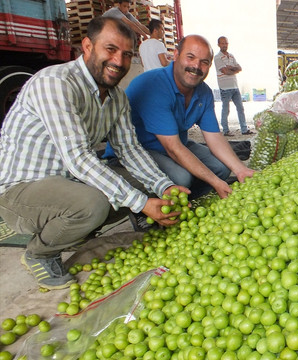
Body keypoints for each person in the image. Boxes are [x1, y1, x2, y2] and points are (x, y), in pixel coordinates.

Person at [0, 17, 188, 290]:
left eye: (126, 54)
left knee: (136, 184)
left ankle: (78, 226)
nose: (119, 61)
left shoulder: (116, 98)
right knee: (94, 204)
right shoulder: (56, 83)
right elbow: (77, 158)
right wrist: (142, 204)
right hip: (21, 192)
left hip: (68, 183)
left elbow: (129, 150)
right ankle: (40, 252)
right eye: (110, 49)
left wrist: (164, 187)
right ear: (87, 46)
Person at [126, 35, 256, 199]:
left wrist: (240, 169)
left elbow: (214, 137)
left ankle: (188, 203)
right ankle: (150, 207)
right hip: (140, 148)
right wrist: (215, 182)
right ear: (175, 55)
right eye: (190, 57)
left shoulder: (203, 92)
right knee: (181, 178)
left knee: (222, 168)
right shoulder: (154, 85)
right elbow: (173, 149)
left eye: (204, 62)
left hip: (176, 143)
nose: (196, 66)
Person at [213, 36, 253, 136]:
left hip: (235, 86)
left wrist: (232, 68)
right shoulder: (217, 57)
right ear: (218, 45)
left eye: (226, 43)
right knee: (226, 109)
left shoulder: (231, 56)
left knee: (240, 108)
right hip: (225, 87)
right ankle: (225, 130)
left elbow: (240, 68)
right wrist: (233, 70)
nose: (224, 45)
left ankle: (244, 129)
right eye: (222, 43)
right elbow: (225, 71)